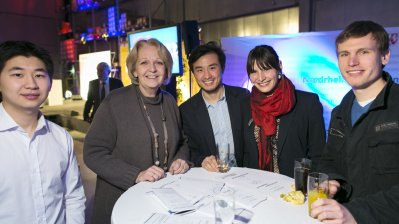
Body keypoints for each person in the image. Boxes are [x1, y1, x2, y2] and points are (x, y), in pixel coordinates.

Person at [83, 38, 190, 224]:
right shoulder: (114, 102)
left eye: (159, 62)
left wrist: (180, 159)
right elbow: (93, 152)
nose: (152, 69)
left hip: (162, 202)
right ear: (134, 70)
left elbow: (182, 141)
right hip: (121, 203)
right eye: (144, 62)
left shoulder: (170, 101)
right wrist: (135, 175)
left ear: (166, 69)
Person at [312, 21, 399, 224]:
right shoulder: (340, 112)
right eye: (344, 54)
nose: (352, 62)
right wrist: (331, 181)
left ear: (385, 56)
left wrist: (358, 214)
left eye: (363, 52)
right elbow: (329, 159)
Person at [0, 41, 85, 223]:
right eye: (18, 74)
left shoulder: (61, 137)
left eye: (39, 75)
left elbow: (73, 196)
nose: (31, 84)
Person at [241, 45, 326, 177]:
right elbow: (245, 152)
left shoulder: (307, 103)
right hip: (255, 186)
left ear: (279, 66)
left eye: (266, 69)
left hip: (293, 189)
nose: (261, 77)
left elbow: (318, 154)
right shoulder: (246, 104)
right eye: (254, 72)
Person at [179, 42, 250, 172]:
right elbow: (188, 150)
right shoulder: (186, 111)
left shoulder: (242, 97)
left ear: (222, 67)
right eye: (199, 70)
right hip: (211, 178)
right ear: (194, 73)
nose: (207, 76)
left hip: (245, 174)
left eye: (212, 68)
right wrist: (202, 160)